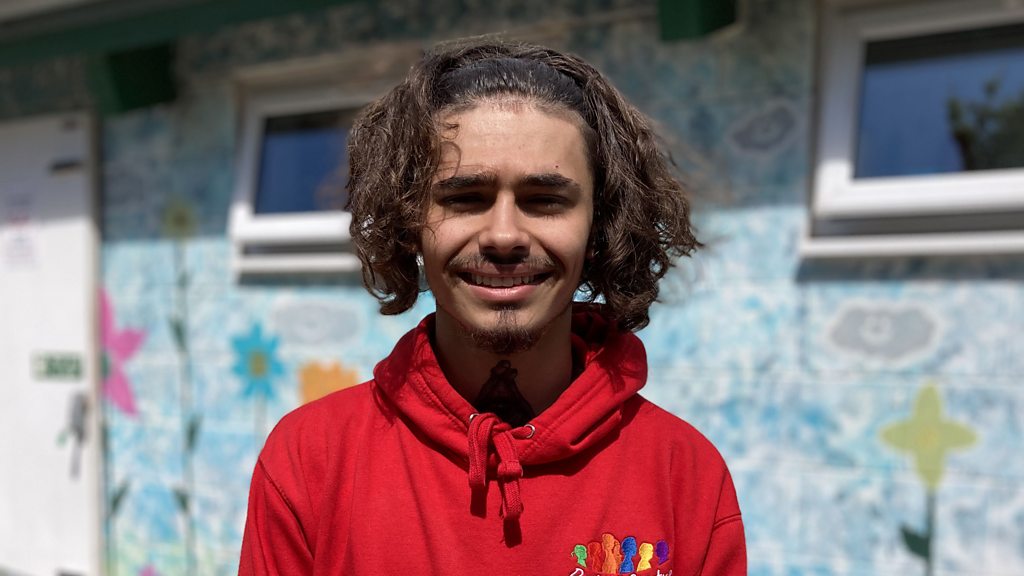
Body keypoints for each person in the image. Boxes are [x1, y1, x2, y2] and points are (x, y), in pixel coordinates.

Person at [239, 37, 745, 575]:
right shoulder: (310, 461)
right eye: (465, 198)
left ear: (600, 226)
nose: (504, 236)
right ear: (409, 222)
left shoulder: (687, 476)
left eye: (545, 200)